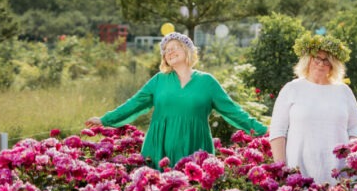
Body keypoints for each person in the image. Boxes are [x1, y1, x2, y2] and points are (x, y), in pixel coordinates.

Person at [87, 31, 266, 168]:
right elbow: (134, 104)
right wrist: (105, 119)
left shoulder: (207, 82)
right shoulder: (159, 80)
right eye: (166, 50)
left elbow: (233, 111)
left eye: (174, 47)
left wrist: (263, 130)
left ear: (187, 50)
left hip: (196, 146)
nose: (169, 52)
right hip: (159, 147)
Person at [268, 33, 357, 184]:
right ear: (308, 60)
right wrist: (282, 170)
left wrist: (353, 147)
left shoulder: (343, 91)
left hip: (339, 173)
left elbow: (355, 127)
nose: (321, 63)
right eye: (316, 58)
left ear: (333, 65)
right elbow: (277, 131)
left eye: (327, 60)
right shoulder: (292, 89)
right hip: (299, 172)